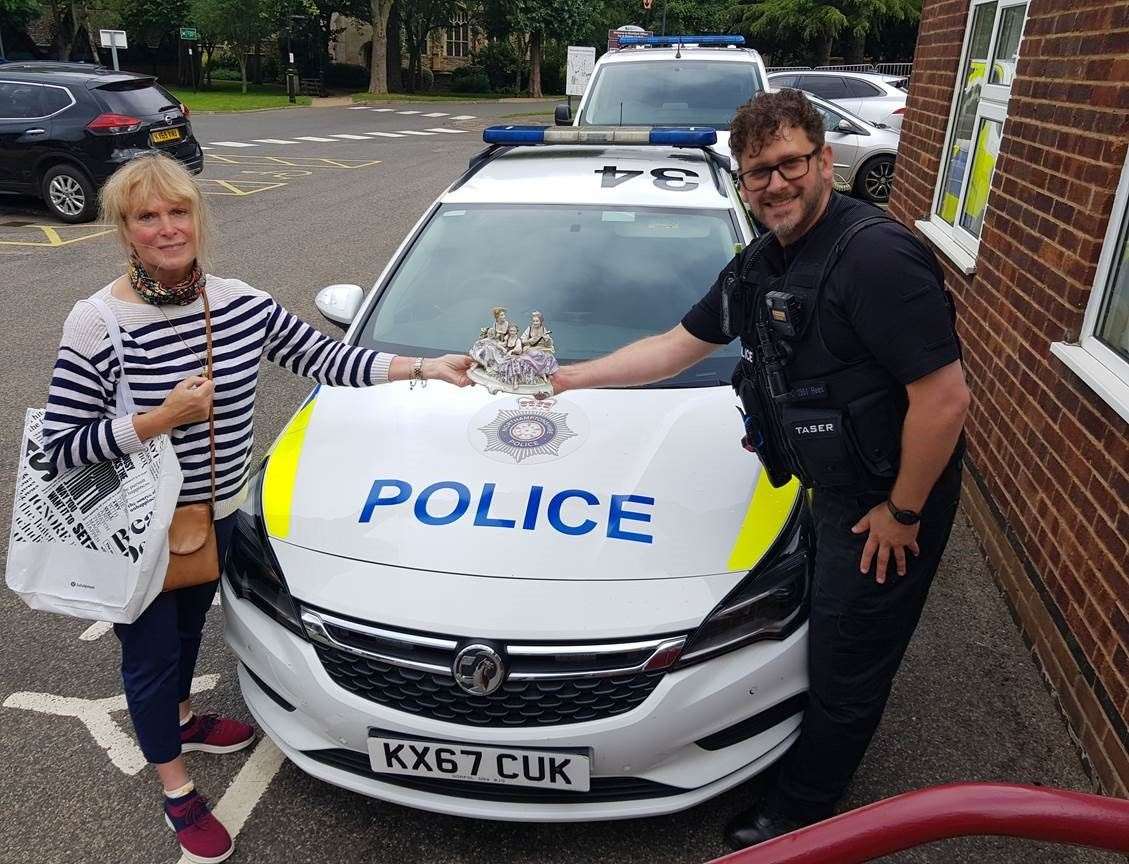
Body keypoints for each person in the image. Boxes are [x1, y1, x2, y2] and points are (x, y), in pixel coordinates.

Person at [549, 89, 970, 848]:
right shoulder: (761, 263)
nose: (774, 185)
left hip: (884, 504)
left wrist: (901, 512)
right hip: (834, 487)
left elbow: (942, 400)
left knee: (846, 662)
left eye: (789, 165)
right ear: (740, 182)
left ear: (824, 160)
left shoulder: (873, 256)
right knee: (817, 634)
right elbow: (677, 346)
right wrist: (568, 378)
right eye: (756, 173)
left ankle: (799, 817)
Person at [41, 153, 473, 863]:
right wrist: (159, 418)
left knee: (186, 637)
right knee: (148, 657)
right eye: (148, 217)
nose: (167, 228)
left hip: (213, 516)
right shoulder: (97, 324)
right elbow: (60, 448)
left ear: (197, 219)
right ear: (124, 230)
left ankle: (180, 719)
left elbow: (326, 359)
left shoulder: (240, 304)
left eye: (178, 212)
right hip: (139, 528)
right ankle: (177, 788)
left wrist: (424, 366)